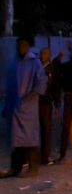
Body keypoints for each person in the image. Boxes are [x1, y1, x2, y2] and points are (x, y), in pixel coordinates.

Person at [2, 37, 48, 177]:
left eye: (23, 45)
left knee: (30, 138)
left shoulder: (34, 62)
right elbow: (9, 84)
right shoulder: (15, 62)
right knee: (17, 140)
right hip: (15, 107)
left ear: (27, 47)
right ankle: (15, 168)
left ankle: (33, 168)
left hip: (28, 108)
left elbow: (41, 83)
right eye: (18, 45)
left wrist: (29, 98)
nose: (20, 48)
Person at [38, 47, 61, 165]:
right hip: (33, 103)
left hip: (46, 103)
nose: (42, 56)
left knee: (46, 130)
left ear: (49, 56)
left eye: (45, 54)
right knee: (33, 130)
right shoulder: (36, 67)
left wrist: (57, 105)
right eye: (42, 54)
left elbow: (56, 88)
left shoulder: (52, 69)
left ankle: (44, 156)